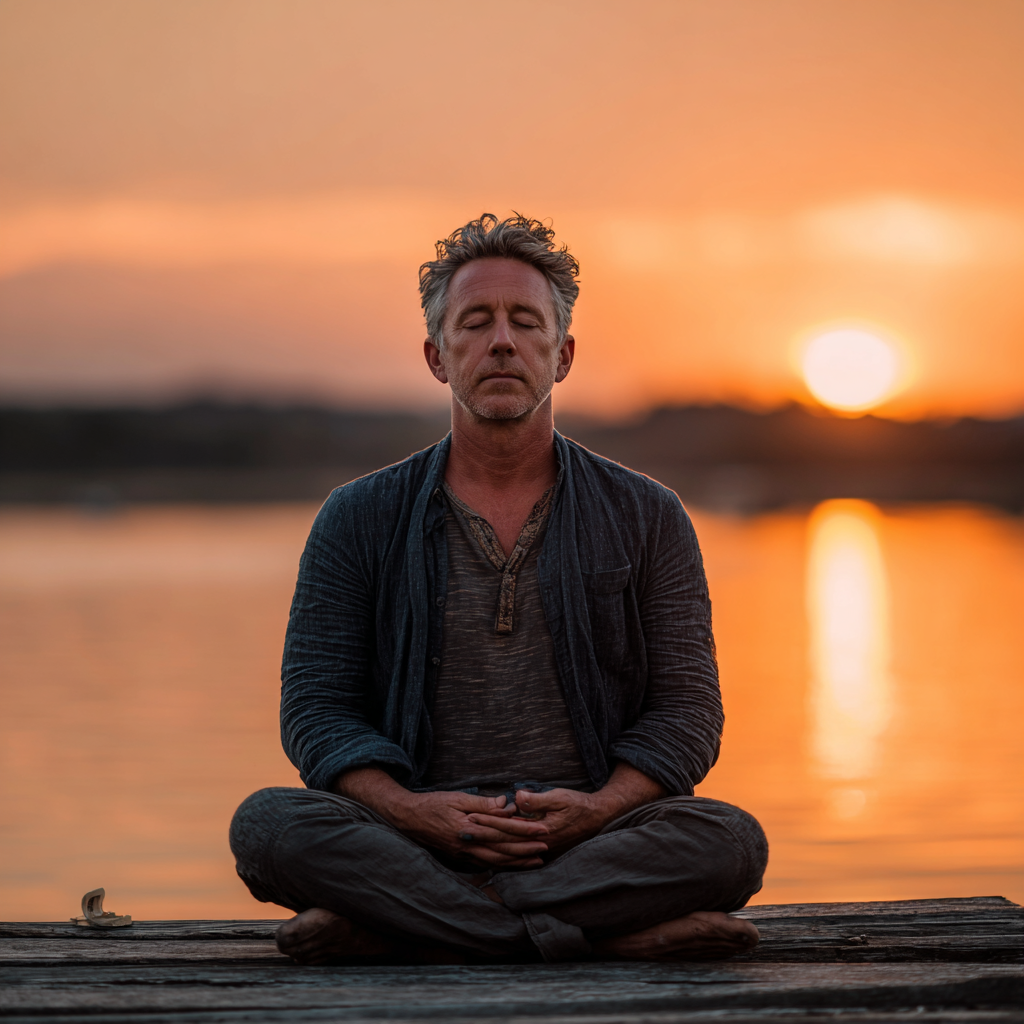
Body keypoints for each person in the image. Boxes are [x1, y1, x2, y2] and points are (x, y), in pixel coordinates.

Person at [229, 213, 768, 965]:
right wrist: (413, 812)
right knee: (267, 828)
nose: (503, 342)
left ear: (564, 353)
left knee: (730, 843)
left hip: (590, 840)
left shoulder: (648, 514)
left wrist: (597, 810)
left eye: (525, 322)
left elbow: (688, 710)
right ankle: (603, 938)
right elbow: (316, 708)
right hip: (413, 841)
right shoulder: (358, 516)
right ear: (437, 357)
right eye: (475, 322)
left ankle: (398, 932)